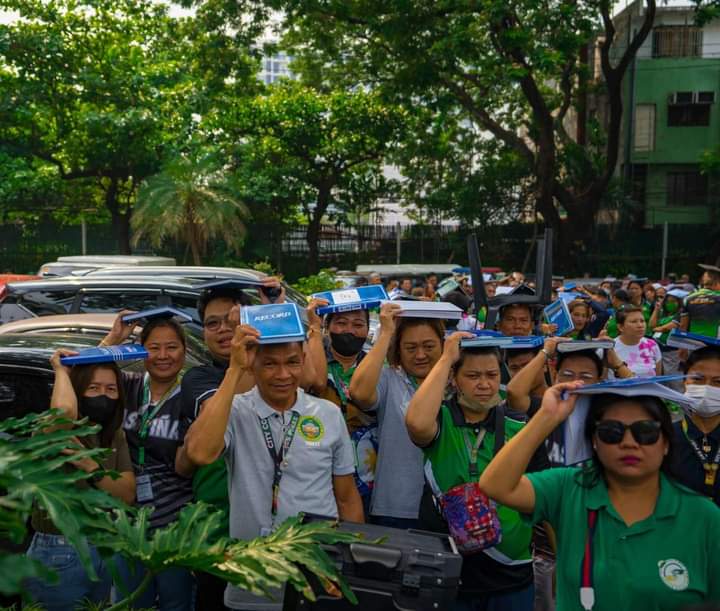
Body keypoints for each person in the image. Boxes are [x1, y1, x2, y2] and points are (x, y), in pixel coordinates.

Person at [480, 383, 720, 610]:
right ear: (594, 441)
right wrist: (547, 417)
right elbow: (496, 485)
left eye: (645, 432)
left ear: (666, 442)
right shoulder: (569, 488)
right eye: (611, 432)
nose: (629, 443)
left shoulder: (704, 518)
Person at [183, 319, 363, 611]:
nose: (282, 375)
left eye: (292, 362)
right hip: (253, 582)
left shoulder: (328, 414)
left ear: (304, 360)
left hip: (316, 576)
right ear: (252, 364)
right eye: (269, 364)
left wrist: (353, 569)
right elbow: (200, 454)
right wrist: (233, 370)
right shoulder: (235, 409)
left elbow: (346, 496)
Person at [176, 279, 325, 610]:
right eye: (212, 323)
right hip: (216, 525)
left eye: (233, 319)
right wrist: (240, 363)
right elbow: (227, 415)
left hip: (276, 523)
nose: (224, 329)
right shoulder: (197, 378)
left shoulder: (272, 368)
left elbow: (313, 379)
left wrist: (272, 314)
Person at [405, 333, 549, 610]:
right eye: (472, 376)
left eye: (492, 375)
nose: (484, 384)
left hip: (511, 568)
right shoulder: (442, 419)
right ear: (454, 379)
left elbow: (545, 498)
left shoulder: (518, 428)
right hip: (451, 570)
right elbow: (416, 423)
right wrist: (446, 357)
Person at [26, 351, 135, 610]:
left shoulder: (113, 434)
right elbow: (65, 411)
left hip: (105, 548)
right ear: (77, 389)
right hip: (59, 550)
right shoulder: (51, 429)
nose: (102, 395)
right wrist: (61, 370)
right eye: (93, 388)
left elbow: (126, 494)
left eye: (111, 389)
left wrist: (89, 464)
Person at [100, 311, 195, 610]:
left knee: (175, 604)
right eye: (154, 347)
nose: (163, 356)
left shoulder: (192, 395)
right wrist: (115, 338)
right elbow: (87, 374)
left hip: (174, 527)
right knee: (130, 604)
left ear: (184, 350)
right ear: (142, 350)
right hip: (126, 525)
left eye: (172, 347)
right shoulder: (127, 386)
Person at [349, 302, 444, 528]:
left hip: (451, 507)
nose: (420, 355)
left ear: (443, 344)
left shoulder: (458, 379)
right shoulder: (390, 378)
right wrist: (386, 334)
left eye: (428, 346)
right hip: (396, 505)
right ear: (398, 349)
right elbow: (359, 393)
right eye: (410, 348)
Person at [315, 306, 377, 513]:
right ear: (327, 327)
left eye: (358, 324)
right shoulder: (313, 360)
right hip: (320, 474)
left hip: (368, 476)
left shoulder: (376, 365)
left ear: (368, 330)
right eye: (341, 323)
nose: (349, 330)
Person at [673, 343, 720, 506]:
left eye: (718, 381)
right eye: (698, 379)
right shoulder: (665, 437)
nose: (707, 388)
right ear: (684, 380)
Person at [611, 305, 662, 377]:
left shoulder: (652, 345)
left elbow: (658, 377)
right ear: (620, 327)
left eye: (642, 321)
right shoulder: (610, 348)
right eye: (634, 322)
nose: (640, 325)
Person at [650, 288, 686, 379]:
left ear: (679, 302)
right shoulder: (664, 314)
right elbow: (652, 325)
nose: (669, 304)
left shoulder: (681, 314)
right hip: (660, 350)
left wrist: (660, 328)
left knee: (673, 379)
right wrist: (656, 310)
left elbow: (670, 326)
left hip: (672, 351)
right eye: (667, 301)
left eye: (673, 301)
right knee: (662, 378)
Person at [680, 266, 720, 338]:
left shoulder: (688, 298)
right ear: (717, 282)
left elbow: (683, 326)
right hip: (715, 344)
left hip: (694, 343)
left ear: (702, 281)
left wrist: (683, 348)